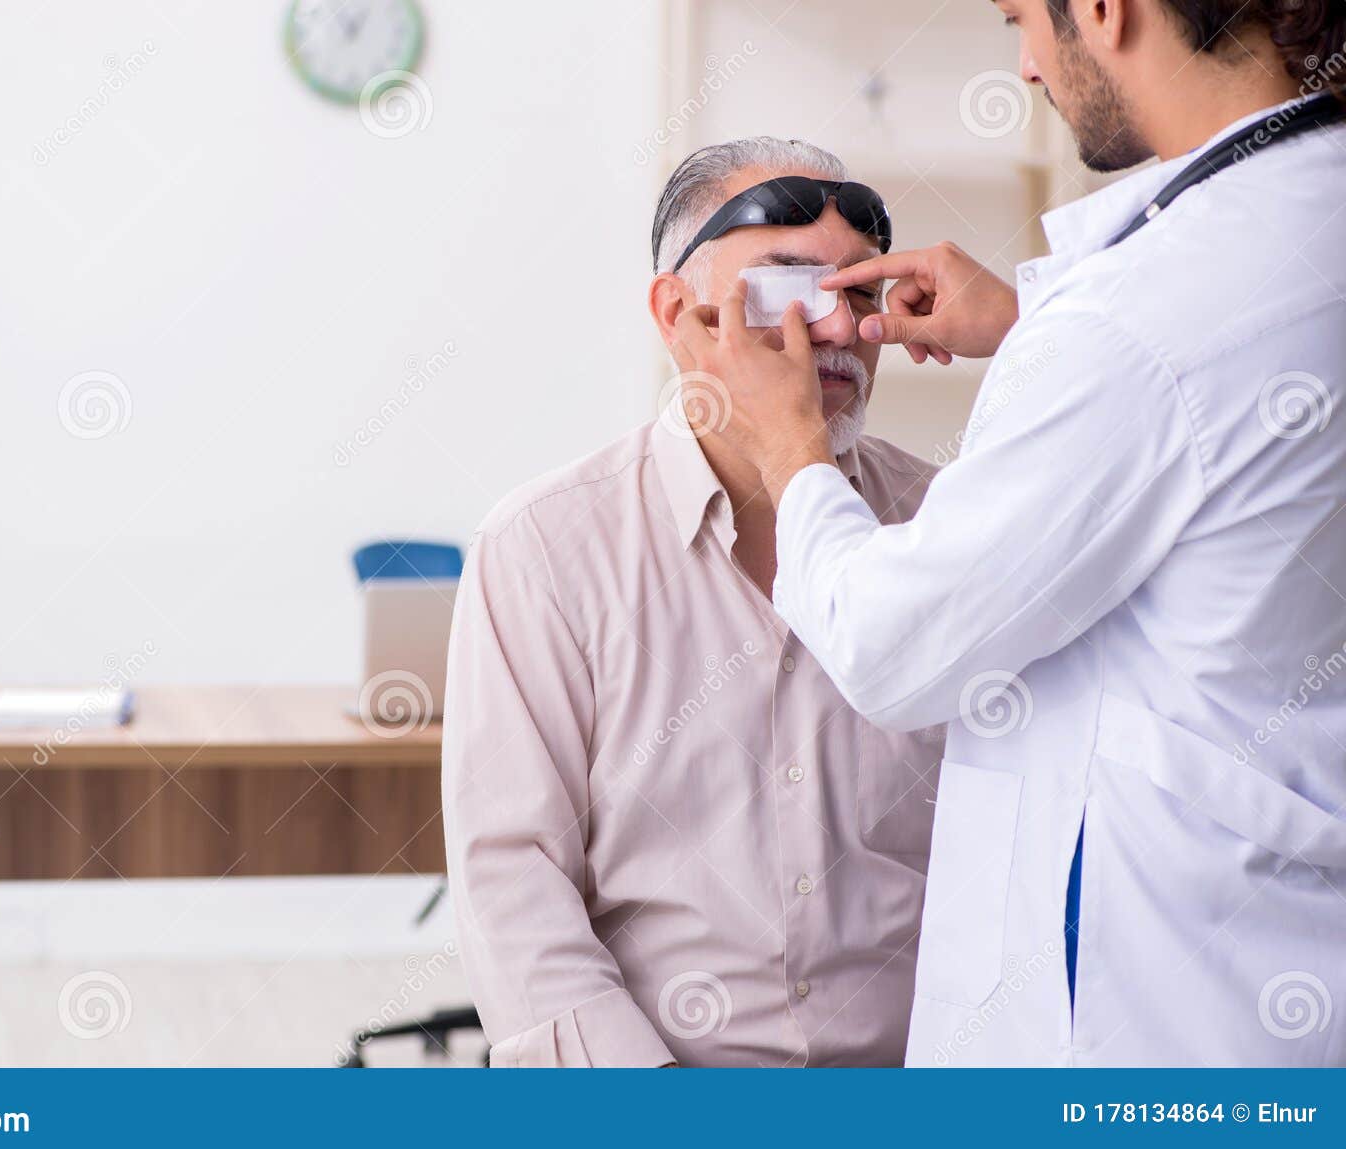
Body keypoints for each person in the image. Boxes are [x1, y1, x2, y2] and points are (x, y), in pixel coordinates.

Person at [669, 0, 1346, 1065]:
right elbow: (1223, 396)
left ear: (1104, 11)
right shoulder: (1292, 221)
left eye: (1020, 20)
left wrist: (789, 442)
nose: (1026, 67)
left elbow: (890, 646)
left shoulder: (1137, 322)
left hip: (1158, 1020)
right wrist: (1041, 322)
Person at [442, 138, 944, 1067]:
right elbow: (513, 881)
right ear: (677, 313)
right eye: (787, 292)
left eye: (861, 295)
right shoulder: (546, 549)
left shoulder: (944, 527)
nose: (832, 331)